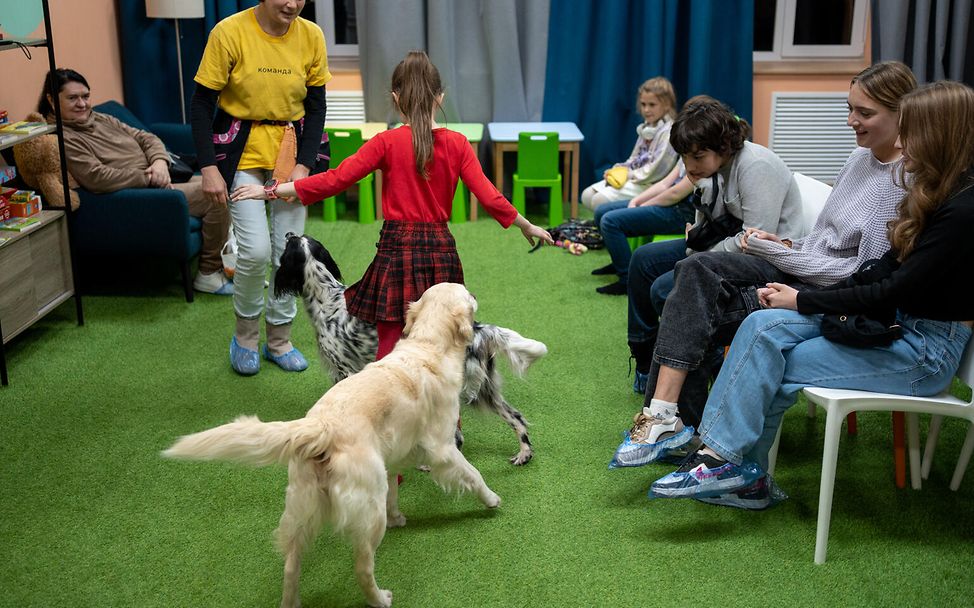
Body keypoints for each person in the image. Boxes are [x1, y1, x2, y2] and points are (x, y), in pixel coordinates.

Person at [647, 80, 974, 508]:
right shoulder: (937, 193)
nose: (902, 142)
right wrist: (801, 292)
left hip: (923, 351)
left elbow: (888, 289)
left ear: (940, 135)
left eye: (911, 132)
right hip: (899, 325)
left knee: (769, 356)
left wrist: (801, 300)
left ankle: (732, 467)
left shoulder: (961, 211)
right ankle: (731, 467)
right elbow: (881, 271)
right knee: (761, 325)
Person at [613, 61, 918, 470]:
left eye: (864, 113)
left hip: (817, 288)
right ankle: (683, 427)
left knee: (691, 280)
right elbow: (823, 240)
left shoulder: (900, 178)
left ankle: (669, 418)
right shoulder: (858, 158)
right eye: (850, 109)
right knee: (687, 284)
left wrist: (780, 255)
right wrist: (788, 244)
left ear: (903, 112)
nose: (850, 121)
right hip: (797, 266)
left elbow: (859, 272)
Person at [231, 50, 553, 361]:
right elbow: (489, 196)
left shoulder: (385, 142)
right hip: (441, 254)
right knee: (441, 349)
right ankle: (448, 418)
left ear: (395, 98)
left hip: (396, 252)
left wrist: (270, 191)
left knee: (390, 350)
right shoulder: (458, 144)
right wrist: (526, 224)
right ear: (440, 98)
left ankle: (388, 412)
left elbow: (335, 179)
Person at [612, 98, 804, 405]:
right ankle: (647, 360)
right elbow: (710, 223)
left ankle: (702, 362)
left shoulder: (755, 166)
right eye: (685, 157)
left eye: (697, 156)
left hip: (768, 263)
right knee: (643, 261)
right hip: (726, 248)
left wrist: (700, 251)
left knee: (664, 288)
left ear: (724, 147)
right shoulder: (713, 169)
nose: (689, 166)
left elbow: (756, 244)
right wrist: (697, 240)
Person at [190, 0, 330, 376]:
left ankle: (280, 340)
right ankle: (246, 336)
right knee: (253, 252)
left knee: (290, 253)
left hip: (292, 150)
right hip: (240, 151)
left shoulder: (311, 35)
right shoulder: (229, 32)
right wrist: (208, 167)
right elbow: (202, 105)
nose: (292, 3)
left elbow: (317, 107)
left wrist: (304, 164)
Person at [39, 68, 232, 295]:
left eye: (86, 96)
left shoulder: (100, 117)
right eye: (72, 98)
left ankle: (231, 265)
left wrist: (159, 162)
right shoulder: (62, 138)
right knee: (214, 194)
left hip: (160, 178)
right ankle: (209, 273)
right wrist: (148, 178)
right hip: (142, 194)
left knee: (222, 184)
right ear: (52, 100)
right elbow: (96, 178)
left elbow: (146, 137)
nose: (82, 104)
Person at [589, 95, 722, 296]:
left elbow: (676, 193)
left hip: (680, 212)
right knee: (601, 211)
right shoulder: (689, 148)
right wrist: (637, 200)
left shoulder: (704, 157)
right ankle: (620, 263)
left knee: (610, 222)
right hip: (669, 204)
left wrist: (645, 205)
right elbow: (667, 182)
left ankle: (626, 278)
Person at [580, 77, 680, 211]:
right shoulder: (647, 127)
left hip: (651, 184)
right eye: (643, 104)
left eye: (652, 105)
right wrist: (618, 170)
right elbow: (634, 158)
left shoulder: (669, 132)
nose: (646, 110)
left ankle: (618, 225)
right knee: (587, 195)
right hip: (637, 180)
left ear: (667, 104)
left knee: (599, 200)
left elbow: (656, 171)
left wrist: (629, 176)